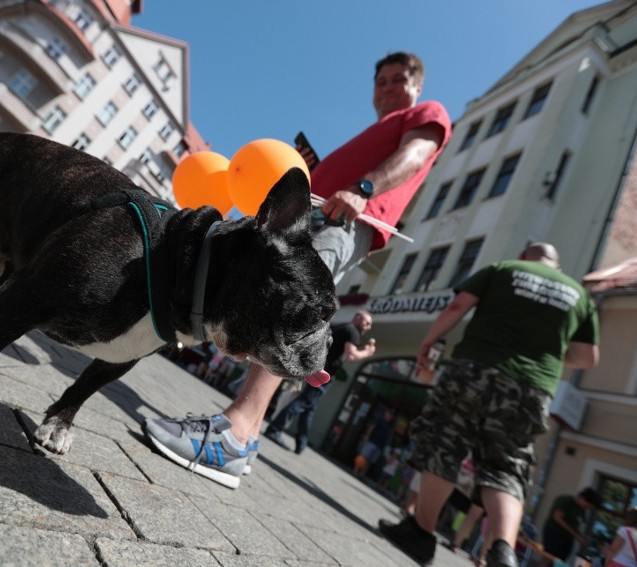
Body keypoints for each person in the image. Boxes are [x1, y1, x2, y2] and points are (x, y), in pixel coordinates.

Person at [143, 51, 451, 489]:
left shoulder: (427, 113)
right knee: (267, 294)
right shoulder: (372, 131)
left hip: (351, 218)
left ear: (416, 86)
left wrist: (364, 188)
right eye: (380, 81)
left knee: (293, 306)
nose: (387, 88)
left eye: (398, 79)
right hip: (314, 213)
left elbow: (416, 153)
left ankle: (235, 435)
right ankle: (246, 439)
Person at [378, 242, 601, 567]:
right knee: (507, 466)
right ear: (557, 264)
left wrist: (430, 340)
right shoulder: (579, 294)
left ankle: (420, 535)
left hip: (475, 368)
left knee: (445, 443)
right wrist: (547, 351)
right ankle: (502, 551)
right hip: (533, 387)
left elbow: (457, 307)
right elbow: (587, 357)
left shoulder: (503, 269)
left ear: (525, 256)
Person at [264, 310, 376, 454]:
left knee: (309, 407)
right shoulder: (352, 331)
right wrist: (367, 352)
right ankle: (274, 429)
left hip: (318, 369)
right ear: (358, 319)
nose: (368, 327)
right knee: (304, 402)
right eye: (367, 322)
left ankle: (301, 442)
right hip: (325, 375)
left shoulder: (341, 327)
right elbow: (351, 355)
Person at [541, 488, 603, 563]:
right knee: (548, 557)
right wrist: (577, 536)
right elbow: (557, 518)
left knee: (560, 561)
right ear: (583, 498)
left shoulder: (581, 511)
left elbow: (575, 526)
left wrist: (582, 536)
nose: (587, 508)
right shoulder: (566, 501)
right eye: (587, 506)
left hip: (568, 538)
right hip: (554, 532)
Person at [355, 407, 395, 478]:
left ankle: (362, 474)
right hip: (372, 441)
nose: (390, 416)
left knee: (370, 461)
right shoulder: (380, 419)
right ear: (386, 413)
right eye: (389, 414)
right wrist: (367, 436)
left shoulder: (389, 427)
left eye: (391, 415)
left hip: (379, 446)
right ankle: (356, 470)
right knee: (363, 456)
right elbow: (372, 427)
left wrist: (384, 449)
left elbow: (387, 439)